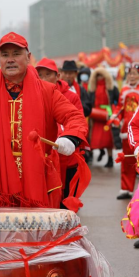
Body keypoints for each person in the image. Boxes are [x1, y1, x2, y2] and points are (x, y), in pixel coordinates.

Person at [0, 32, 88, 208]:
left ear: (28, 57)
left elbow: (75, 117)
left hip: (37, 179)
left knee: (37, 234)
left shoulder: (47, 92)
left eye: (16, 54)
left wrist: (70, 137)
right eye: (5, 55)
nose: (10, 59)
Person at [36, 58, 84, 203]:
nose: (43, 78)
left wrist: (69, 139)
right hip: (45, 156)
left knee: (67, 201)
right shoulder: (33, 95)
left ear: (58, 76)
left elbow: (78, 120)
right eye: (40, 75)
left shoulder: (71, 96)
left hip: (66, 155)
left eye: (47, 74)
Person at [115, 64, 139, 200]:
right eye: (130, 73)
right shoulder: (123, 89)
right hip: (126, 130)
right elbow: (120, 108)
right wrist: (116, 119)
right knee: (126, 160)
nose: (132, 76)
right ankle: (125, 189)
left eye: (135, 73)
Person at [87, 67, 118, 168]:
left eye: (101, 75)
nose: (99, 78)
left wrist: (114, 111)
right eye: (97, 76)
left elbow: (117, 101)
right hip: (95, 116)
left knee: (108, 140)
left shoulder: (111, 88)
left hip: (107, 115)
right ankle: (101, 151)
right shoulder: (92, 89)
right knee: (96, 139)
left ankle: (110, 159)